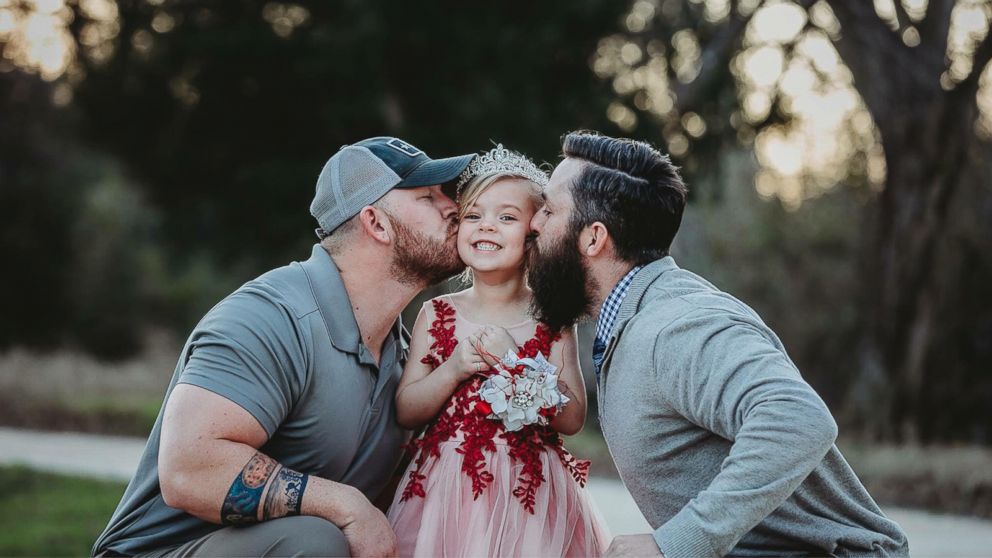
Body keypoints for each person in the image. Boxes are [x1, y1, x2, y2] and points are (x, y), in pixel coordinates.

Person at [526, 130, 910, 557]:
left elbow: (798, 418)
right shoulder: (636, 319)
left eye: (548, 209)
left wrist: (675, 544)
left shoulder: (678, 324)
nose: (533, 224)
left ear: (594, 238)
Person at [92, 137, 474, 558]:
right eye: (427, 196)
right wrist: (345, 505)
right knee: (316, 542)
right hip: (159, 552)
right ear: (376, 223)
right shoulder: (268, 317)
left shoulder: (410, 355)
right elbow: (189, 469)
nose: (453, 207)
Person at [386, 144, 611, 557]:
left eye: (506, 217)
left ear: (533, 234)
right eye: (473, 215)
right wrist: (453, 369)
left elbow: (574, 416)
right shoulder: (438, 313)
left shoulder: (551, 315)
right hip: (446, 491)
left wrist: (517, 365)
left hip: (530, 492)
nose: (486, 227)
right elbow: (407, 409)